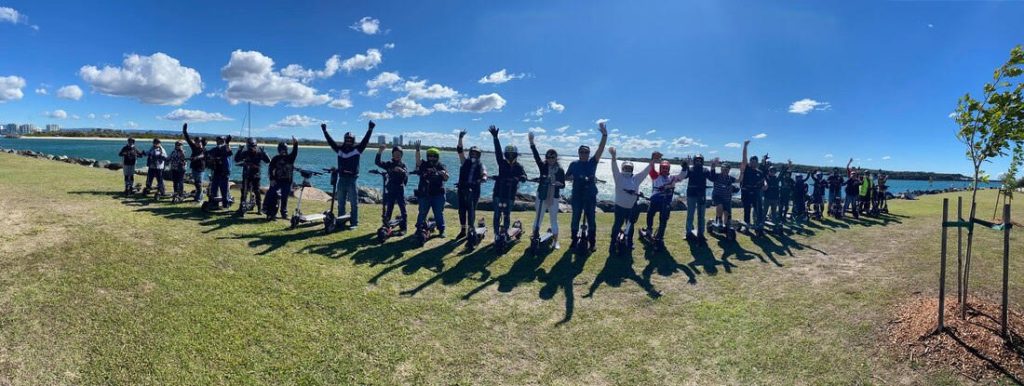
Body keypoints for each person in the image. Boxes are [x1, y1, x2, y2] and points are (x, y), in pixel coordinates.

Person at [322, 121, 375, 227]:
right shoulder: (340, 150)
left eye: (350, 140)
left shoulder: (357, 149)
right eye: (347, 139)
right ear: (344, 140)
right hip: (341, 179)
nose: (348, 141)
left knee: (354, 203)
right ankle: (341, 222)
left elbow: (365, 141)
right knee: (341, 202)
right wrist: (325, 131)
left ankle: (354, 222)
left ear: (353, 141)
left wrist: (370, 130)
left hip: (352, 180)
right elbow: (331, 142)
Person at [565, 121, 609, 251]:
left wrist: (604, 135)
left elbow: (600, 149)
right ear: (578, 153)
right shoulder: (574, 164)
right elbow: (566, 177)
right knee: (575, 217)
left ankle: (592, 242)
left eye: (586, 152)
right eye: (582, 152)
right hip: (577, 194)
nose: (584, 154)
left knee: (591, 218)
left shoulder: (592, 162)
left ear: (589, 154)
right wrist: (574, 177)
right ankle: (573, 240)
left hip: (590, 194)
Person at [608, 147, 654, 253]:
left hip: (631, 207)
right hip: (619, 207)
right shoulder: (618, 177)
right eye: (626, 168)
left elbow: (646, 171)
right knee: (617, 225)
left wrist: (653, 161)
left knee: (631, 225)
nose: (627, 170)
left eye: (629, 168)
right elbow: (614, 166)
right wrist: (614, 156)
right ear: (622, 168)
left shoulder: (636, 179)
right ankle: (612, 243)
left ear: (632, 169)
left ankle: (629, 242)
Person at [489, 125, 527, 241]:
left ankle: (505, 233)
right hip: (498, 192)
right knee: (496, 214)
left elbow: (525, 176)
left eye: (512, 154)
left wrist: (518, 178)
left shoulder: (519, 166)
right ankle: (496, 234)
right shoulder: (502, 163)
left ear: (515, 155)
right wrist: (495, 138)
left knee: (506, 214)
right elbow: (498, 152)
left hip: (510, 194)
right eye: (508, 154)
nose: (510, 156)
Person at [529, 132, 566, 249]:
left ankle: (555, 242)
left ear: (556, 158)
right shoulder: (543, 166)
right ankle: (534, 238)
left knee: (553, 220)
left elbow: (563, 185)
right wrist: (531, 143)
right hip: (541, 195)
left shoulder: (560, 170)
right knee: (538, 218)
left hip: (554, 198)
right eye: (548, 157)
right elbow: (536, 156)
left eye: (553, 157)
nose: (550, 159)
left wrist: (558, 184)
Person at [644, 154, 686, 243]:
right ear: (660, 168)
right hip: (655, 200)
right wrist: (653, 159)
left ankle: (660, 235)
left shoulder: (672, 178)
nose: (665, 170)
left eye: (666, 168)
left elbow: (681, 176)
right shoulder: (655, 176)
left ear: (669, 169)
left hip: (666, 202)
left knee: (663, 219)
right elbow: (651, 169)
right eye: (663, 168)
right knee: (650, 214)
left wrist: (685, 167)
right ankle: (649, 229)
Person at [454, 130, 486, 239]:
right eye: (472, 153)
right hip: (462, 189)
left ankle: (471, 229)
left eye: (476, 153)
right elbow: (460, 150)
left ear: (479, 155)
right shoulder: (464, 161)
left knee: (471, 210)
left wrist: (483, 178)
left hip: (474, 190)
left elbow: (484, 173)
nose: (473, 155)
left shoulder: (481, 165)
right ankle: (463, 230)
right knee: (462, 211)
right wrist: (460, 138)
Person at [413, 144, 449, 237]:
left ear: (437, 157)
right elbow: (418, 161)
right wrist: (417, 151)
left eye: (433, 156)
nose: (431, 158)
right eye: (429, 156)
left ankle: (441, 230)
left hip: (438, 194)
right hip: (424, 193)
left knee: (439, 213)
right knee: (422, 212)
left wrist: (443, 174)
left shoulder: (441, 166)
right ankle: (419, 229)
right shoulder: (424, 164)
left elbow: (446, 178)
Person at [375, 144, 409, 232]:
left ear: (401, 155)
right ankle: (386, 225)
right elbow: (377, 162)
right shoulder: (389, 164)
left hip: (400, 189)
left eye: (399, 154)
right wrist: (380, 152)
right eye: (395, 154)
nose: (397, 155)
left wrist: (401, 171)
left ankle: (404, 227)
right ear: (392, 155)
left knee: (403, 208)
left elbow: (406, 175)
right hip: (391, 188)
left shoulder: (403, 165)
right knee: (389, 208)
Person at [234, 138, 270, 214]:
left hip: (256, 175)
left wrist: (264, 152)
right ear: (247, 146)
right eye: (250, 146)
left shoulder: (259, 153)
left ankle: (259, 208)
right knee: (244, 192)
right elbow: (236, 159)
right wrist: (239, 150)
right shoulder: (245, 153)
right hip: (246, 175)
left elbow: (268, 161)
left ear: (256, 146)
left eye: (253, 146)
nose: (251, 148)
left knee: (257, 191)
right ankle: (241, 207)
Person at [265, 137, 299, 219]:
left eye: (284, 149)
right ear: (279, 150)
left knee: (284, 197)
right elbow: (270, 169)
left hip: (287, 181)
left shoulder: (290, 158)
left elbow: (295, 152)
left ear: (287, 149)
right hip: (277, 180)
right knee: (272, 195)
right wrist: (272, 179)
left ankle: (284, 213)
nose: (283, 151)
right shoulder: (275, 158)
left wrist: (296, 144)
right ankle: (269, 211)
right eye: (281, 149)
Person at [683, 153, 712, 242]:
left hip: (701, 195)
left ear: (702, 161)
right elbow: (684, 176)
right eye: (697, 160)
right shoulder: (690, 169)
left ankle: (701, 234)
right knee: (690, 214)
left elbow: (712, 178)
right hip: (691, 194)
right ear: (694, 161)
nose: (698, 162)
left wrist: (713, 168)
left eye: (700, 160)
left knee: (701, 216)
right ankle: (688, 233)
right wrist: (685, 165)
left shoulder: (705, 170)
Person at [739, 140, 766, 231]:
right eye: (752, 161)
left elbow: (763, 181)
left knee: (758, 209)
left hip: (755, 192)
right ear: (750, 162)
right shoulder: (747, 168)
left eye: (755, 161)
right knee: (747, 210)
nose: (753, 163)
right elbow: (744, 158)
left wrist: (765, 185)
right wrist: (745, 146)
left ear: (757, 162)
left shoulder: (760, 172)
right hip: (746, 192)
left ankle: (759, 225)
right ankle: (746, 227)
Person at [206, 135, 234, 208]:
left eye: (221, 141)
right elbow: (207, 154)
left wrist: (227, 143)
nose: (219, 142)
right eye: (218, 141)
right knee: (214, 188)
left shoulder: (226, 148)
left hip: (225, 172)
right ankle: (214, 203)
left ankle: (226, 204)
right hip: (216, 171)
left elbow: (230, 152)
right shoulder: (215, 149)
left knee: (224, 190)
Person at [182, 123, 208, 202]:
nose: (197, 143)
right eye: (196, 142)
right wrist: (184, 131)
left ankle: (199, 199)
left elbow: (202, 156)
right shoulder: (194, 147)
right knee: (196, 184)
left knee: (199, 184)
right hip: (194, 168)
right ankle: (198, 197)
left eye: (199, 142)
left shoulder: (204, 150)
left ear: (201, 142)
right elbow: (188, 139)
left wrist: (195, 158)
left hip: (201, 169)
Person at [709, 158, 737, 228]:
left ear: (729, 170)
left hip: (727, 198)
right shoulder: (717, 176)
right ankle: (719, 220)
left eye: (727, 169)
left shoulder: (730, 178)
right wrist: (713, 166)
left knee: (726, 213)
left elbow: (739, 180)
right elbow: (712, 174)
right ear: (721, 169)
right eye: (723, 168)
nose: (725, 170)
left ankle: (725, 225)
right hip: (717, 196)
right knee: (720, 206)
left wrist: (742, 172)